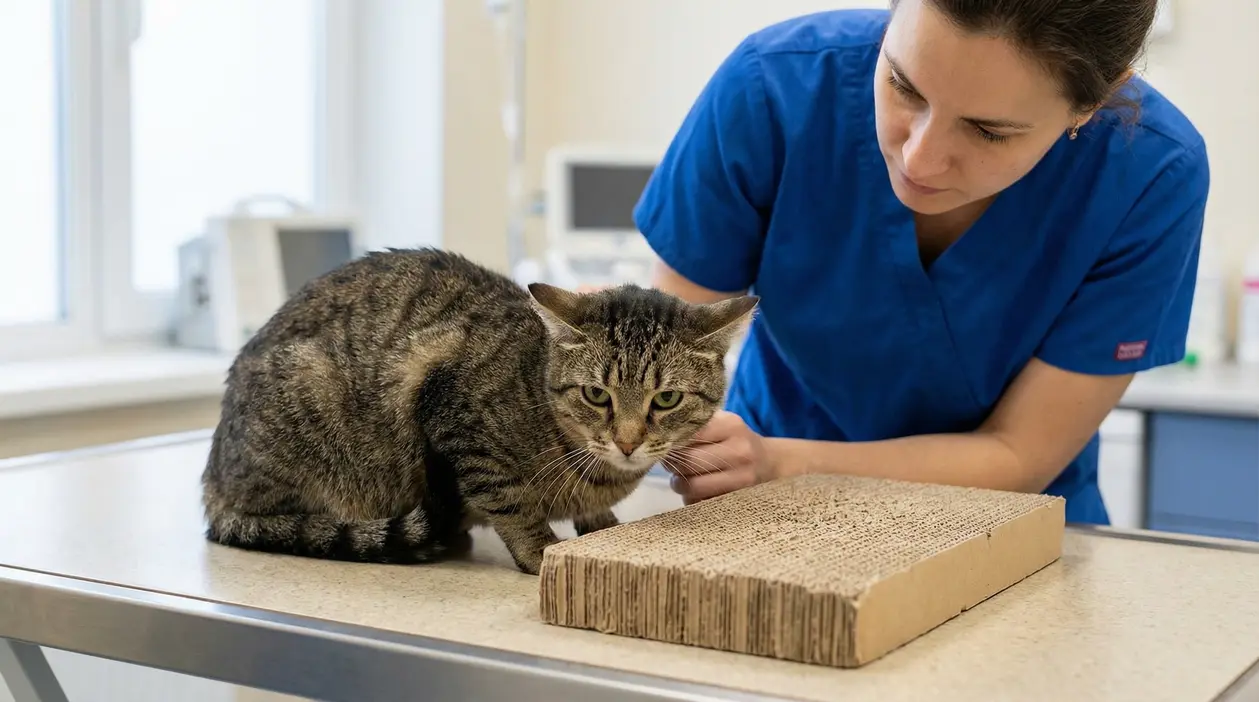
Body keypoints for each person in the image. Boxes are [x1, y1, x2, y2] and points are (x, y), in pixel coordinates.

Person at [635, 0, 1209, 524]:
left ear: (1092, 103)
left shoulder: (1150, 174)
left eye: (988, 131)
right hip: (756, 513)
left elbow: (1018, 453)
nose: (919, 159)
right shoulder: (773, 87)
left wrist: (779, 465)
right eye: (903, 85)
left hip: (1005, 530)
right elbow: (662, 354)